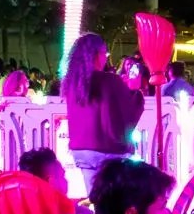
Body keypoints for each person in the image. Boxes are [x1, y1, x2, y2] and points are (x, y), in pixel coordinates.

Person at [60, 32, 143, 191]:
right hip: (107, 149)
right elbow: (127, 112)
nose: (106, 57)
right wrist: (135, 91)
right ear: (97, 55)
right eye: (105, 53)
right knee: (113, 201)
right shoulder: (109, 80)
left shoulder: (71, 83)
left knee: (95, 198)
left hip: (81, 150)